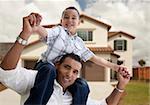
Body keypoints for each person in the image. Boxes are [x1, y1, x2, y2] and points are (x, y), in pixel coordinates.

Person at [0, 6, 130, 105]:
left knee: (82, 84)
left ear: (79, 22)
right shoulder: (59, 31)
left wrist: (116, 67)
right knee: (49, 70)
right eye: (66, 17)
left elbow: (96, 59)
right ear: (61, 21)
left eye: (74, 18)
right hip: (45, 68)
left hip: (57, 73)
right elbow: (45, 33)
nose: (70, 20)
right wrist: (34, 28)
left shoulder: (79, 43)